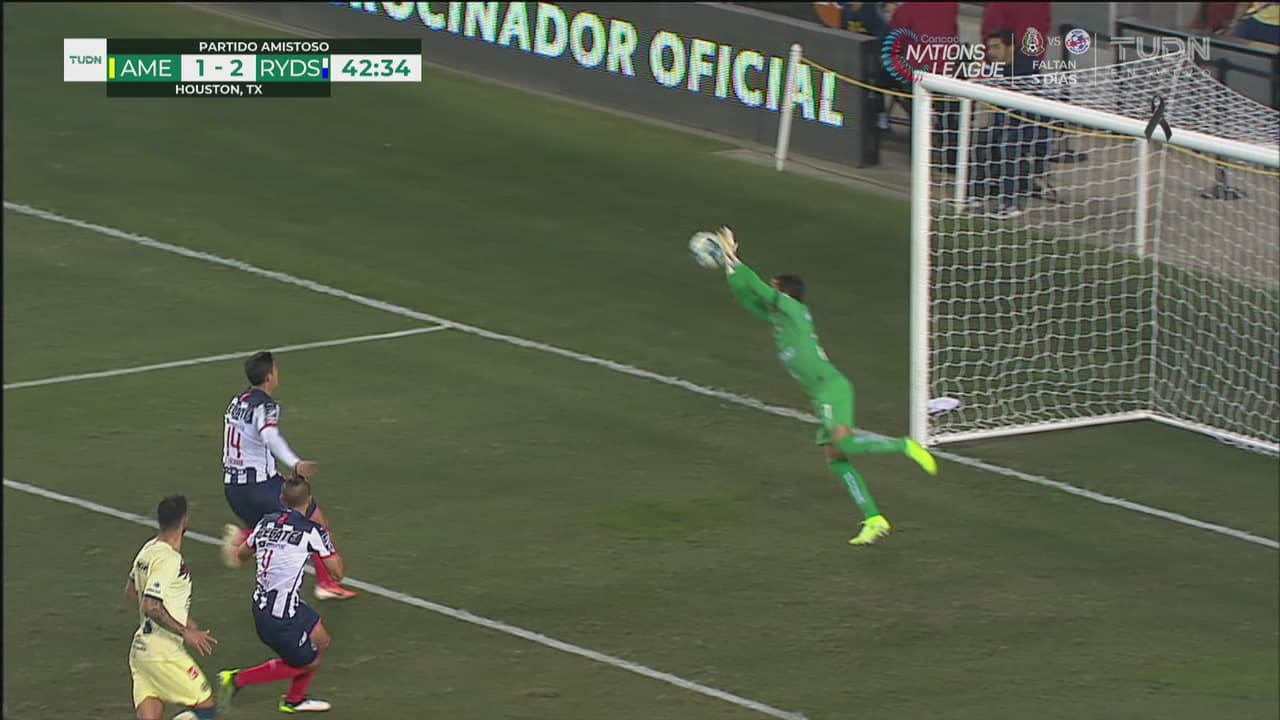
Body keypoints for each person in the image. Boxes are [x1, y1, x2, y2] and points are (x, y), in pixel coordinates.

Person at [705, 227, 937, 546]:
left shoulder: (794, 310)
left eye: (775, 287)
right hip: (823, 393)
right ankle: (874, 518)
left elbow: (757, 288)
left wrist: (734, 259)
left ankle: (904, 446)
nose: (770, 291)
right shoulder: (780, 320)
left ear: (785, 293)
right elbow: (748, 300)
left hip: (832, 388)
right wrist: (729, 268)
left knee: (846, 446)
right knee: (836, 458)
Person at [221, 351, 355, 600]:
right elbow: (269, 435)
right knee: (315, 522)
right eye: (275, 370)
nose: (277, 373)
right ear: (269, 376)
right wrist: (296, 463)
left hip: (233, 488)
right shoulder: (266, 406)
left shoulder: (237, 401)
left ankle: (244, 538)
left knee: (272, 528)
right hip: (260, 486)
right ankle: (326, 584)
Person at [217, 476, 342, 714]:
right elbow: (338, 573)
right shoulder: (312, 532)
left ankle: (295, 699)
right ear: (309, 500)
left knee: (322, 641)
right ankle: (238, 680)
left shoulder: (265, 524)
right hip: (280, 619)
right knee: (309, 662)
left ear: (282, 499)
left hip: (274, 606)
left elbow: (240, 556)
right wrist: (327, 543)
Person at [125, 495, 219, 720]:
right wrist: (185, 631)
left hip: (141, 651)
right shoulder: (169, 559)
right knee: (206, 709)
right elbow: (151, 605)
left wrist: (180, 617)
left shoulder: (148, 549)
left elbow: (131, 591)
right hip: (163, 652)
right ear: (185, 520)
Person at [969, 29, 1053, 219]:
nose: (991, 52)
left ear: (1011, 47)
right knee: (981, 139)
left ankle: (1011, 204)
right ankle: (977, 196)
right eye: (989, 48)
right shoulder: (996, 67)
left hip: (1033, 128)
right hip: (1008, 124)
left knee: (1008, 145)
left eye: (996, 47)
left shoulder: (1026, 65)